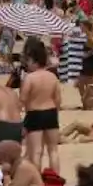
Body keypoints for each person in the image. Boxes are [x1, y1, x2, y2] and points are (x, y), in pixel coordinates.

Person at [20, 39, 62, 172]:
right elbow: (58, 99)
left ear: (33, 60)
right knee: (53, 150)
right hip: (51, 112)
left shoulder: (30, 78)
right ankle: (56, 179)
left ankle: (37, 181)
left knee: (36, 152)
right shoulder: (52, 77)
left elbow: (23, 99)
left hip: (35, 114)